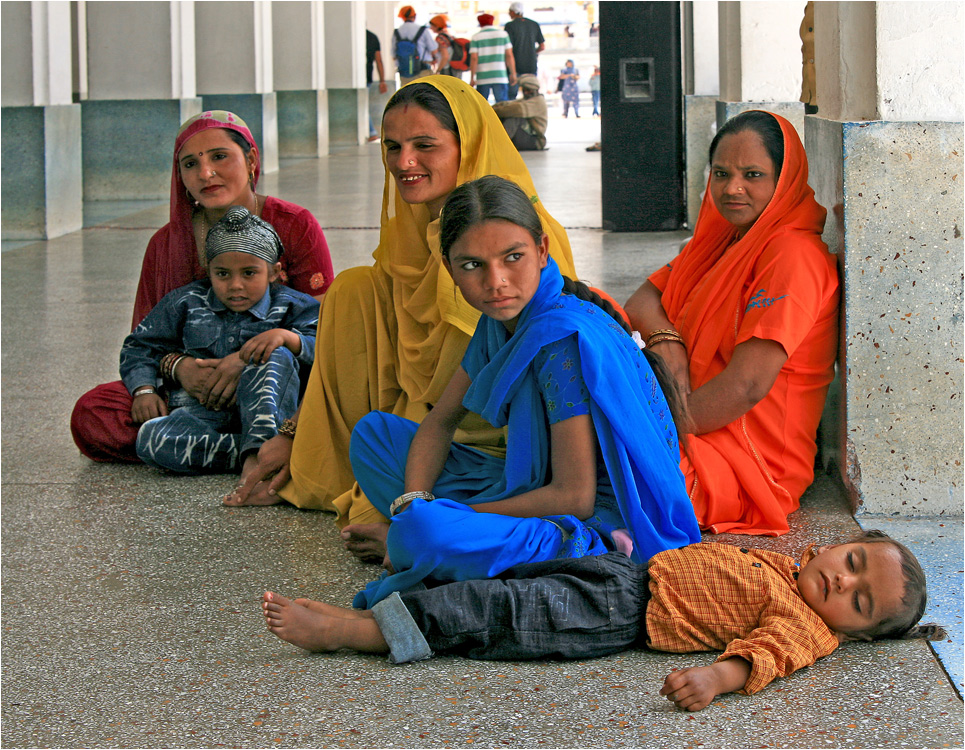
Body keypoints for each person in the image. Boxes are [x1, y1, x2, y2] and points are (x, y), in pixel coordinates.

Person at [226, 78, 579, 535]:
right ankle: (369, 474)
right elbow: (422, 391)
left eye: (424, 145)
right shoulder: (415, 230)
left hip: (511, 446)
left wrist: (411, 516)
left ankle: (439, 511)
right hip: (432, 420)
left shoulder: (513, 233)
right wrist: (295, 433)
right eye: (393, 147)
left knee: (412, 518)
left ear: (467, 145)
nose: (404, 162)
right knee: (353, 290)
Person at [345, 175, 701, 607]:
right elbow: (440, 422)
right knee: (374, 436)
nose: (495, 281)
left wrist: (439, 519)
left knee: (427, 534)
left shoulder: (558, 342)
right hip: (533, 489)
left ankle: (423, 544)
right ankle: (423, 540)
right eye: (472, 265)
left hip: (596, 528)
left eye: (512, 257)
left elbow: (575, 497)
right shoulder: (500, 321)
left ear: (542, 250)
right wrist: (413, 504)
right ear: (449, 268)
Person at [263, 530, 945, 712]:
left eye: (857, 601)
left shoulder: (808, 628)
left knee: (495, 613)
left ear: (851, 633)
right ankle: (396, 589)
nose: (842, 580)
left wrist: (714, 678)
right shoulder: (790, 567)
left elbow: (763, 656)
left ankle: (358, 635)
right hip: (624, 575)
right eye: (853, 561)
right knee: (500, 579)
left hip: (615, 615)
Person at [70, 110, 333, 464]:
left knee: (340, 400)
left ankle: (234, 442)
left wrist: (247, 360)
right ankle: (244, 449)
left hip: (278, 378)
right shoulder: (166, 244)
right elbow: (146, 340)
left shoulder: (294, 224)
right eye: (190, 164)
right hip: (194, 391)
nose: (205, 173)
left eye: (219, 157)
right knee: (94, 413)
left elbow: (326, 330)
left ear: (251, 159)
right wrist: (181, 369)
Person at [624, 110, 840, 536]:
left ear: (785, 180)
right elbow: (643, 299)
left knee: (597, 463)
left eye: (753, 174)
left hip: (748, 464)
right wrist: (668, 340)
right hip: (693, 422)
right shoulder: (725, 239)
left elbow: (746, 386)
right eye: (721, 173)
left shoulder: (793, 257)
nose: (732, 188)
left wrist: (651, 431)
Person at [122, 206, 319, 478]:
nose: (235, 285)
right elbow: (140, 346)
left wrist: (287, 338)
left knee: (274, 353)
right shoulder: (185, 302)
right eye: (223, 274)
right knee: (150, 439)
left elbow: (330, 349)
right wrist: (144, 391)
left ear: (274, 272)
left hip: (273, 419)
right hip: (202, 420)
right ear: (208, 270)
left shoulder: (292, 306)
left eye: (249, 273)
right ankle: (253, 455)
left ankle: (262, 449)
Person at [491, 74, 547, 151]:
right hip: (525, 137)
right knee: (504, 114)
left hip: (535, 140)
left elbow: (515, 109)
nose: (526, 92)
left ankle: (498, 144)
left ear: (535, 89)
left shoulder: (538, 101)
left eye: (529, 90)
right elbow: (509, 104)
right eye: (524, 90)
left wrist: (494, 110)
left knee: (514, 117)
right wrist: (492, 109)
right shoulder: (527, 100)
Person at [470, 13, 516, 103]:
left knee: (482, 105)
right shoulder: (503, 35)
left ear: (480, 23)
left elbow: (474, 58)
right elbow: (509, 55)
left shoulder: (476, 37)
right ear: (492, 22)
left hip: (482, 76)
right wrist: (513, 73)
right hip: (500, 75)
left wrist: (472, 77)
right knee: (503, 105)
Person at [504, 2, 545, 100]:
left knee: (512, 95)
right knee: (531, 94)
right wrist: (533, 52)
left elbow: (507, 48)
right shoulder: (534, 24)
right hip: (531, 65)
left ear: (514, 12)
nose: (509, 14)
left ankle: (513, 115)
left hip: (515, 66)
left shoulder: (510, 26)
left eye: (510, 11)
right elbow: (542, 46)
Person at [393, 6, 438, 86]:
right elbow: (434, 49)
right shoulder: (423, 30)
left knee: (407, 96)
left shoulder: (397, 32)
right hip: (423, 71)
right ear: (415, 16)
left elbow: (394, 55)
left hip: (404, 72)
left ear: (402, 17)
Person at [366, 30, 390, 142]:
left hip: (358, 77)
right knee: (364, 105)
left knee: (363, 106)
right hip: (367, 76)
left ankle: (372, 132)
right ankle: (371, 132)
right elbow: (378, 60)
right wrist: (382, 80)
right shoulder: (372, 37)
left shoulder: (352, 34)